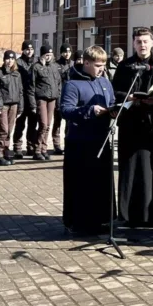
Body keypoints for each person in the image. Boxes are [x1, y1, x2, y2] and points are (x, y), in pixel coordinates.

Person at [112, 27, 153, 227]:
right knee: (132, 166)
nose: (142, 45)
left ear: (152, 43)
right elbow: (115, 92)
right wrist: (129, 97)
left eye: (146, 41)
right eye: (139, 42)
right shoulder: (124, 66)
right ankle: (131, 211)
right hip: (131, 123)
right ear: (133, 43)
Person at [60, 46, 116, 235]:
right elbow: (65, 110)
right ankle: (79, 222)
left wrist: (116, 110)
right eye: (98, 65)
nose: (102, 69)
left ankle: (102, 219)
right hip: (80, 143)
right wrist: (89, 111)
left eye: (104, 65)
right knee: (82, 184)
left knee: (101, 182)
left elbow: (112, 101)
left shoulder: (105, 82)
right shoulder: (73, 84)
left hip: (101, 139)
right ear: (86, 63)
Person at [31, 45, 63, 161]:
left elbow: (59, 83)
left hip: (52, 99)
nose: (48, 57)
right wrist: (33, 104)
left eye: (50, 55)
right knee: (43, 124)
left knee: (48, 125)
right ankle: (37, 149)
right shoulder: (36, 67)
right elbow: (31, 86)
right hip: (41, 98)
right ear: (42, 55)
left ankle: (44, 149)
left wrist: (58, 95)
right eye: (46, 55)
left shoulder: (55, 67)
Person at [0, 51, 23, 166]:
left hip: (14, 105)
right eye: (7, 59)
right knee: (3, 130)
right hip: (3, 106)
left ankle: (6, 152)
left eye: (12, 59)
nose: (10, 61)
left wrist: (21, 106)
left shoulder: (17, 74)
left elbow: (20, 91)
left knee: (9, 130)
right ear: (4, 60)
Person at [13, 41, 39, 158]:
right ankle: (17, 147)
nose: (29, 52)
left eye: (31, 49)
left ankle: (30, 146)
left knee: (33, 124)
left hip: (33, 97)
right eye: (27, 49)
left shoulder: (36, 62)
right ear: (23, 50)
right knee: (20, 124)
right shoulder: (17, 63)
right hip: (22, 97)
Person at [51, 44, 73, 154]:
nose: (67, 54)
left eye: (69, 52)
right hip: (59, 95)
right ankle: (56, 145)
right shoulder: (56, 65)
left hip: (70, 97)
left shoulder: (73, 65)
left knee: (69, 123)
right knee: (57, 122)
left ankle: (67, 143)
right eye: (65, 52)